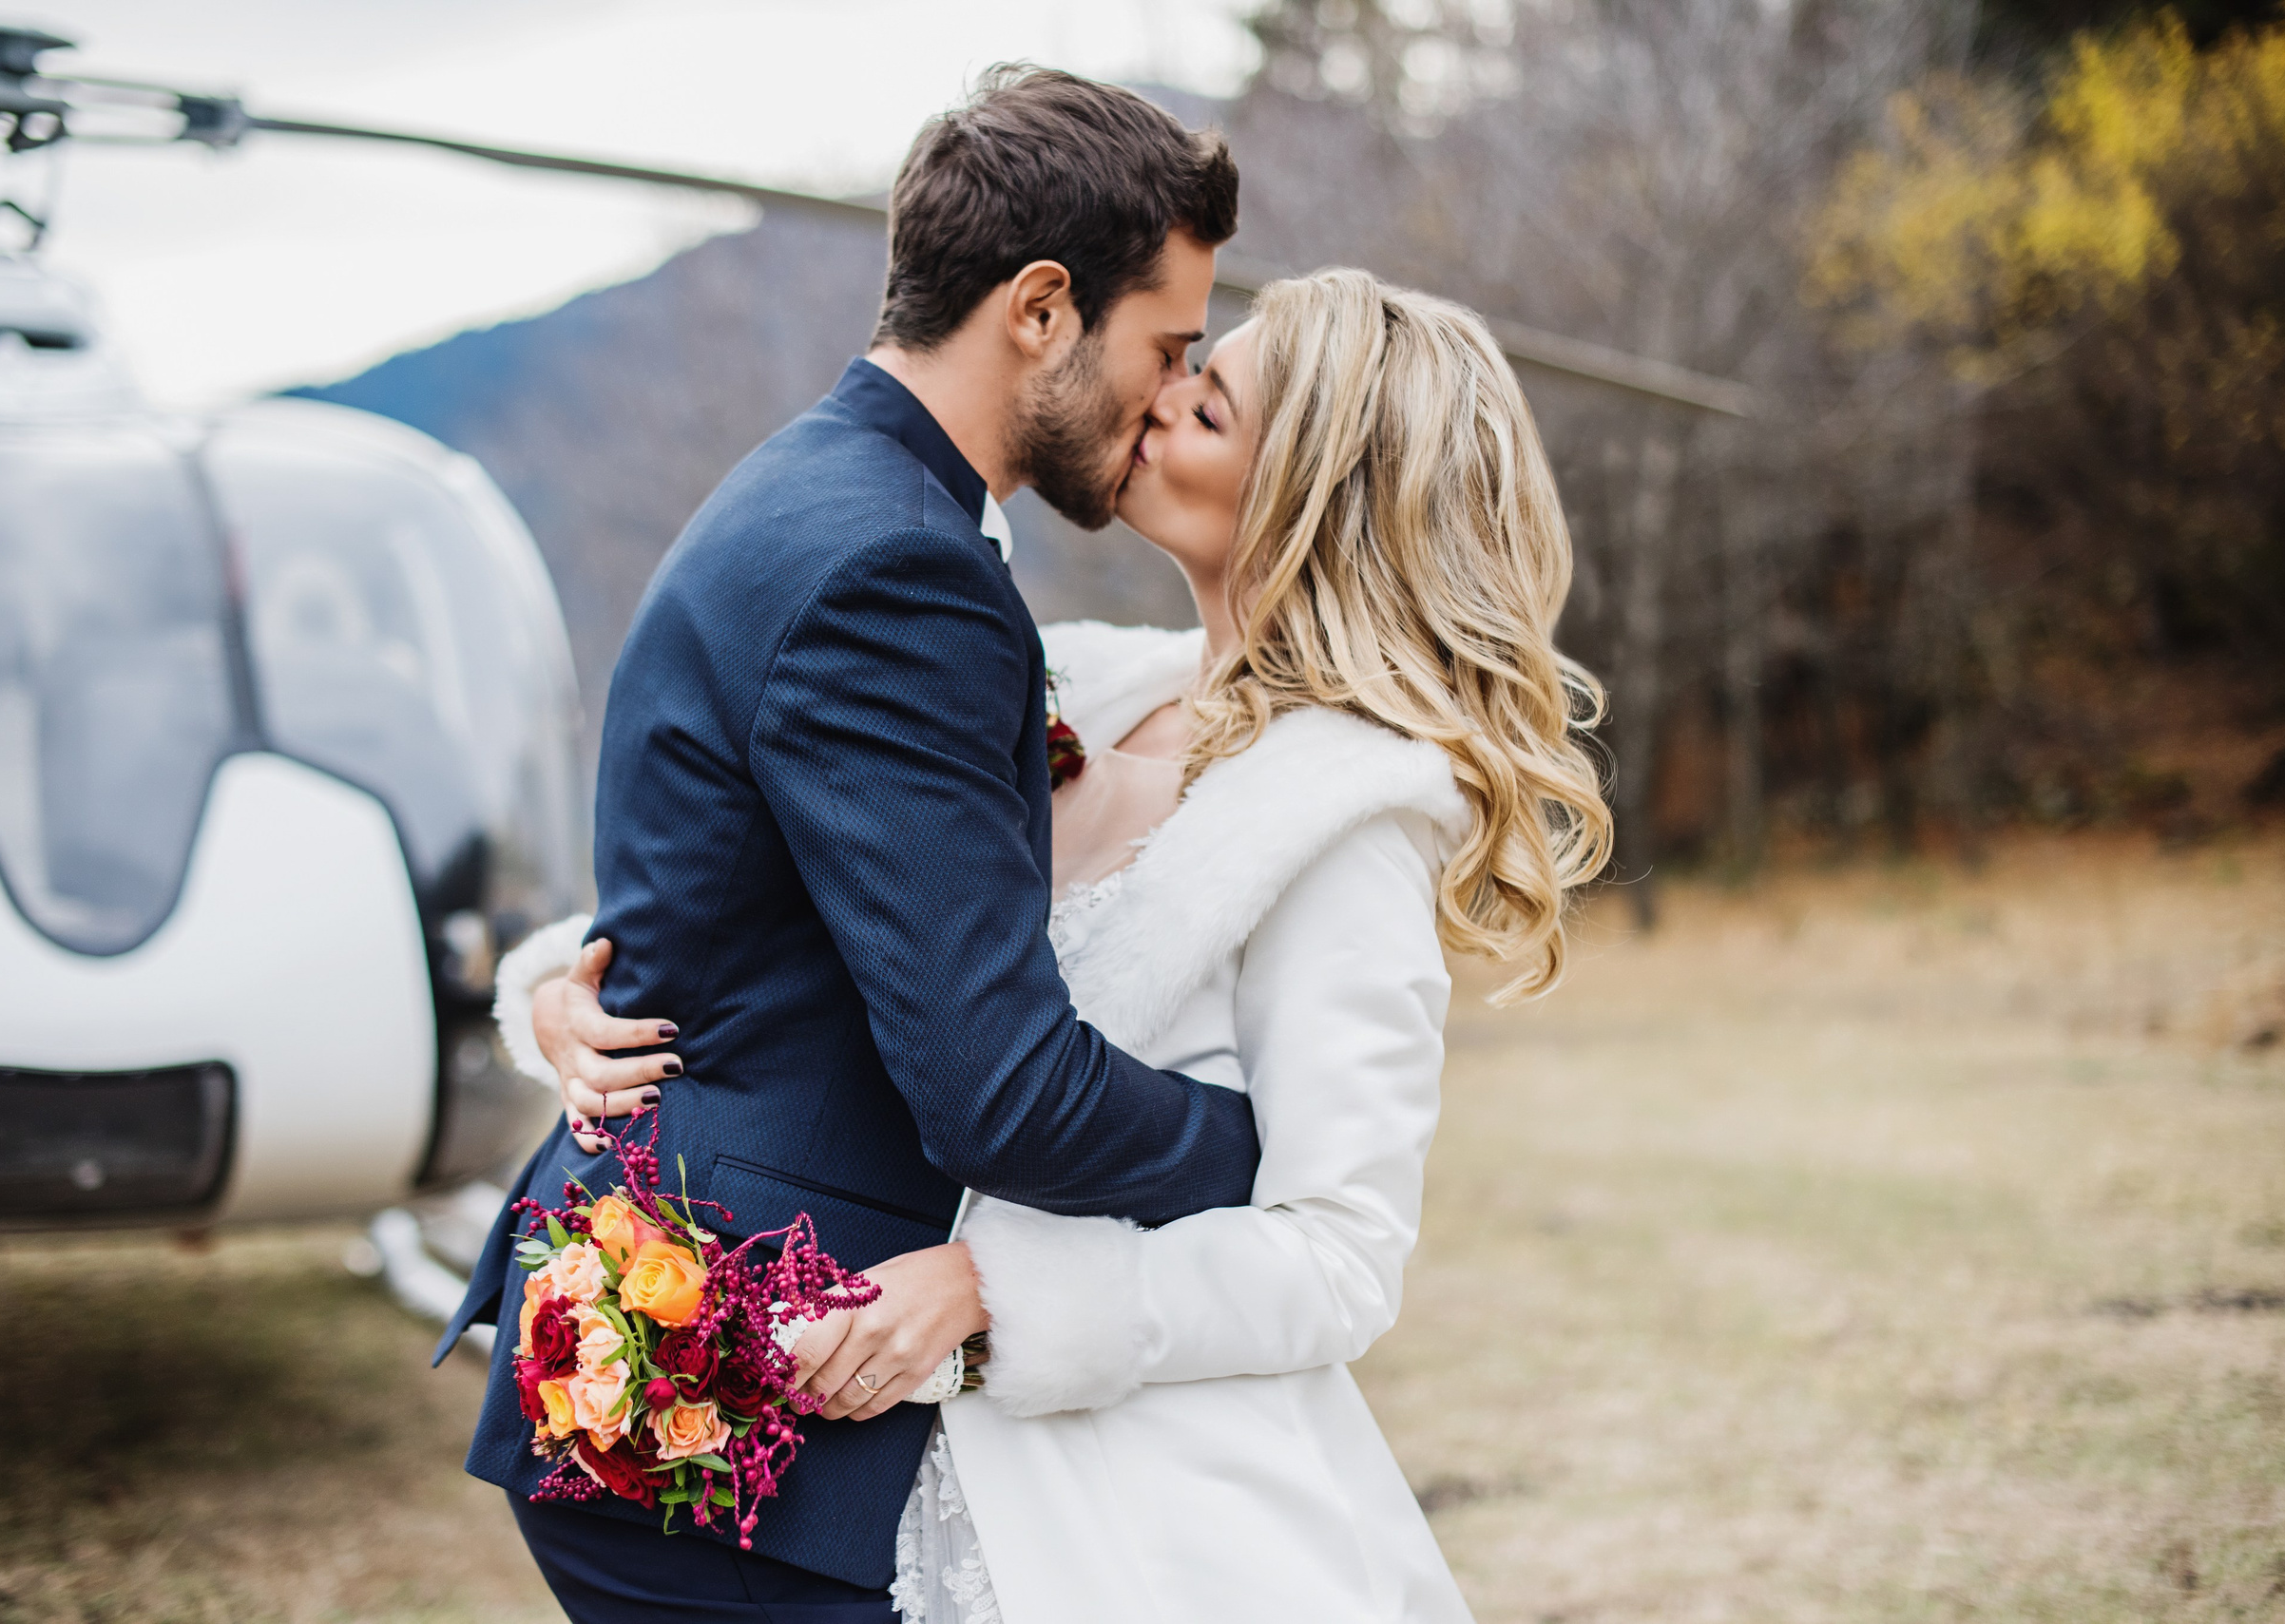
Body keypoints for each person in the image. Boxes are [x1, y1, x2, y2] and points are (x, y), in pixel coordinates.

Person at [523, 270, 1613, 1622]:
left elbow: (1339, 1257)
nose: (1152, 401)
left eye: (1205, 404)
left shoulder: (1341, 823)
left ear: (1310, 494)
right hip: (875, 1456)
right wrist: (580, 986)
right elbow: (847, 910)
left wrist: (996, 1289)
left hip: (1132, 1513)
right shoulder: (1076, 681)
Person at [432, 67, 1267, 1622]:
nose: (1165, 398)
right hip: (732, 1429)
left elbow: (736, 895)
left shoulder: (821, 492)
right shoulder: (900, 568)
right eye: (1165, 347)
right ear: (1038, 309)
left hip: (682, 1367)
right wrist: (1265, 1151)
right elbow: (999, 1090)